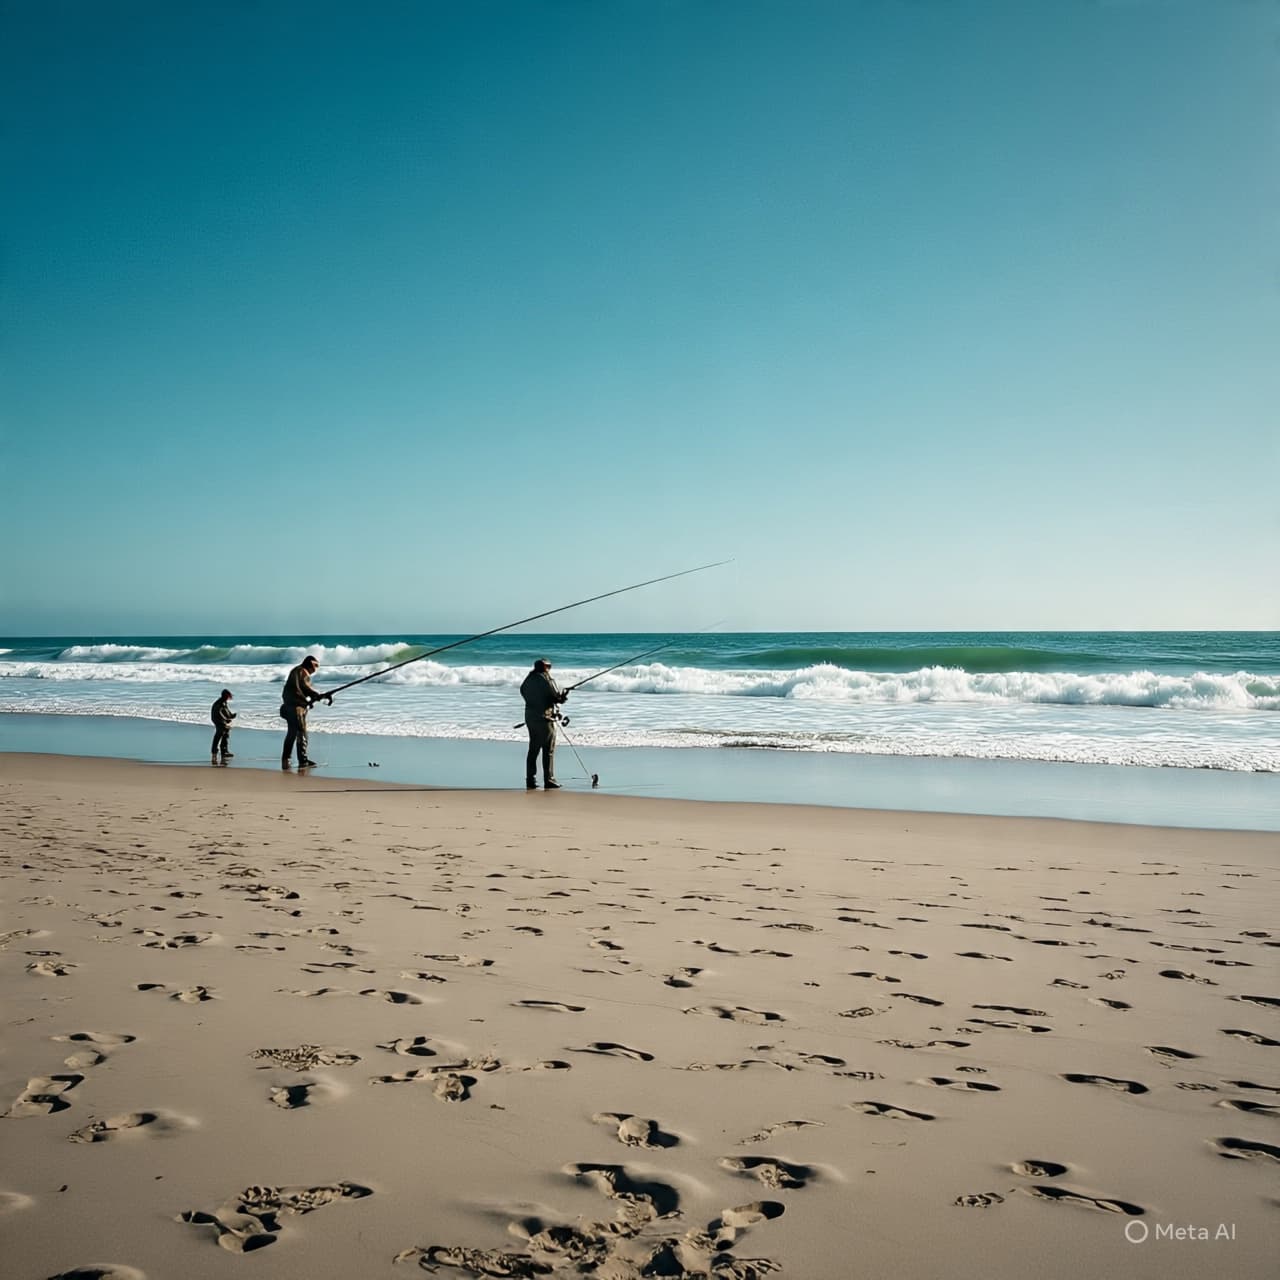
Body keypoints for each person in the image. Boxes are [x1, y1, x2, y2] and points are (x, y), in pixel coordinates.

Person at [520, 658, 568, 789]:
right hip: (545, 719)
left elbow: (523, 692)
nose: (550, 669)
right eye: (549, 667)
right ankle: (549, 779)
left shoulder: (528, 679)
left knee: (533, 750)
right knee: (548, 750)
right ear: (545, 667)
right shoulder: (546, 679)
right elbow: (556, 698)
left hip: (530, 718)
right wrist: (563, 697)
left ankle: (530, 780)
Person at [281, 654, 330, 769]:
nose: (316, 669)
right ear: (310, 664)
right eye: (315, 666)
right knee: (302, 733)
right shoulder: (303, 671)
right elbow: (305, 688)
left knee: (292, 734)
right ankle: (303, 760)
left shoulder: (296, 671)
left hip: (289, 706)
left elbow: (300, 689)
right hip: (296, 708)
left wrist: (312, 698)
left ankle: (286, 759)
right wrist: (316, 696)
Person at [210, 688, 236, 760]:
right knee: (219, 735)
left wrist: (231, 715)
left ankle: (224, 751)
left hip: (221, 720)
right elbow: (219, 712)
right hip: (217, 719)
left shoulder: (223, 702)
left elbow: (226, 711)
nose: (229, 697)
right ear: (226, 696)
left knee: (226, 733)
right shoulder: (220, 703)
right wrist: (226, 719)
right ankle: (214, 753)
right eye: (228, 696)